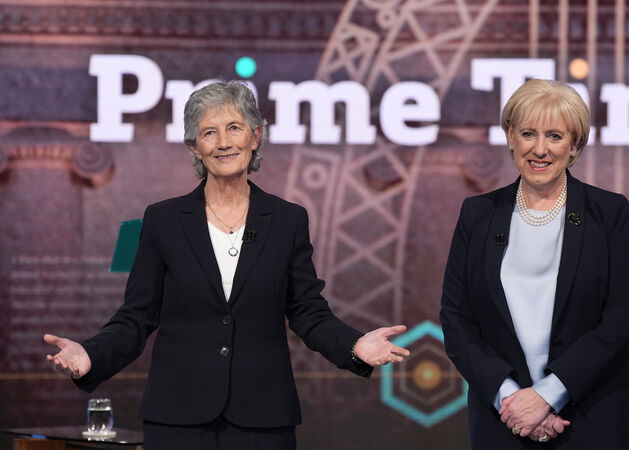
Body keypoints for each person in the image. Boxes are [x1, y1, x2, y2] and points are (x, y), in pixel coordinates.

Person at [44, 81, 410, 450]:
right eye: (209, 132)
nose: (223, 142)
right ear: (194, 146)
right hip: (177, 417)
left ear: (255, 136)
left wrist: (354, 347)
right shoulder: (163, 220)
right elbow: (137, 316)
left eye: (234, 128)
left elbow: (307, 312)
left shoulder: (287, 220)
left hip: (262, 418)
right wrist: (91, 354)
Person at [439, 79, 629, 449]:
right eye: (528, 134)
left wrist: (548, 395)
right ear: (511, 138)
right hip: (504, 420)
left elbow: (624, 317)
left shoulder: (608, 213)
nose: (539, 149)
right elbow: (457, 320)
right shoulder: (477, 214)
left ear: (574, 145)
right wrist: (511, 401)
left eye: (554, 136)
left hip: (596, 415)